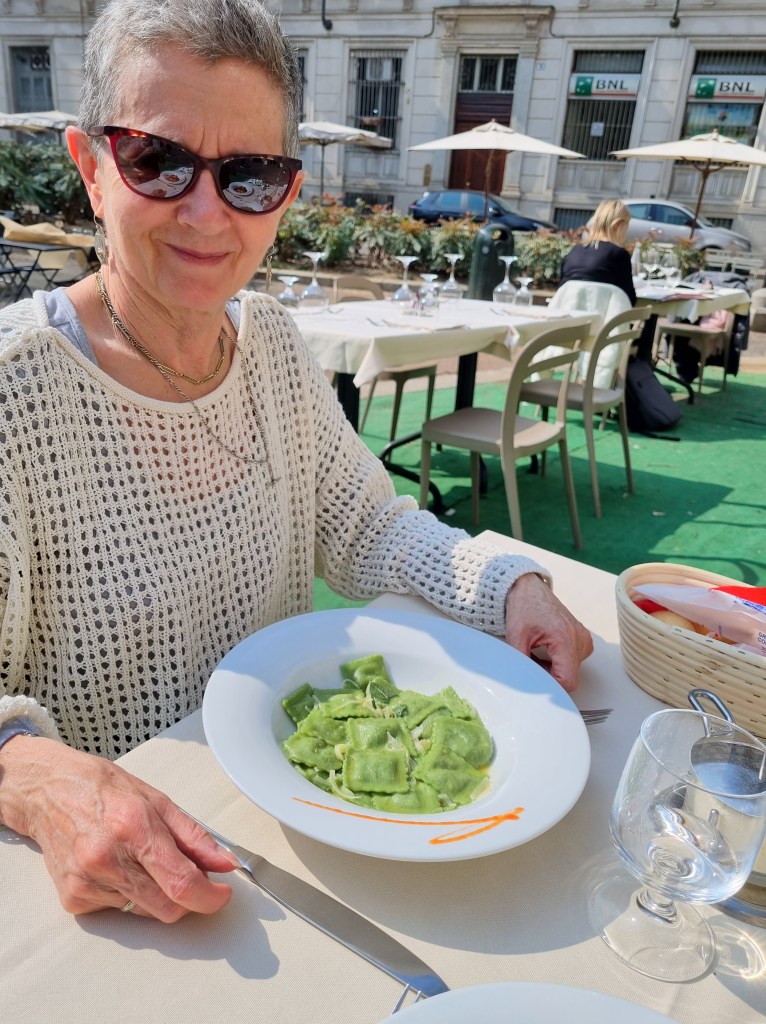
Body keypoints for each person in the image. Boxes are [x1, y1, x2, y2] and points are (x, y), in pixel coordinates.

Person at [0, 0, 592, 923]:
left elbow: (368, 527)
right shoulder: (15, 392)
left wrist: (507, 584)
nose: (206, 212)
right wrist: (31, 775)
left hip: (305, 839)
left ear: (286, 191)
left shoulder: (272, 341)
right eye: (158, 161)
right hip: (122, 891)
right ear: (92, 168)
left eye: (248, 175)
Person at [560, 199, 637, 306]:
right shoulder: (619, 254)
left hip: (567, 313)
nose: (627, 231)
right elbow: (629, 299)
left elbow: (561, 289)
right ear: (617, 225)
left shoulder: (575, 251)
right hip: (602, 316)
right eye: (626, 225)